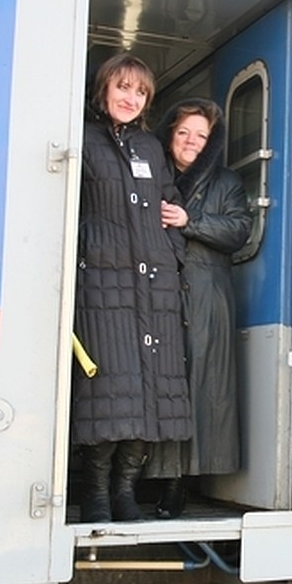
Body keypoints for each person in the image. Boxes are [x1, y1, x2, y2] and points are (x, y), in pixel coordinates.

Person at [72, 53, 193, 522]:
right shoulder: (81, 139)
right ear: (104, 89)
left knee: (150, 391)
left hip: (155, 287)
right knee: (107, 388)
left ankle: (126, 491)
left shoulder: (149, 147)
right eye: (123, 87)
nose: (130, 97)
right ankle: (96, 495)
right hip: (103, 286)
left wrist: (175, 242)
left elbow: (172, 205)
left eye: (140, 91)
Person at [145, 98, 253, 519]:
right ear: (170, 134)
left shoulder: (226, 181)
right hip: (158, 293)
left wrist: (187, 220)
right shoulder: (151, 174)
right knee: (159, 384)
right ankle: (141, 478)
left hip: (208, 297)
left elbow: (239, 229)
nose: (191, 141)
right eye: (184, 132)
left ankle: (177, 485)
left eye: (201, 136)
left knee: (197, 390)